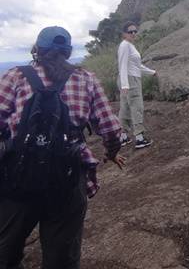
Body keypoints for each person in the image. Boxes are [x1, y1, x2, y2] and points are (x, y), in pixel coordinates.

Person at [0, 26, 125, 268]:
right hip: (66, 179)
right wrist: (112, 153)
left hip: (18, 178)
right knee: (62, 259)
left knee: (5, 252)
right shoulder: (86, 79)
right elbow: (110, 129)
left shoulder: (15, 76)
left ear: (37, 50)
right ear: (68, 52)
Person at [118, 22, 155, 149]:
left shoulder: (129, 46)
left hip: (128, 79)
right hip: (130, 80)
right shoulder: (125, 46)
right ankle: (139, 138)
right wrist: (125, 84)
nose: (133, 33)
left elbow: (137, 66)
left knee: (125, 108)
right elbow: (122, 65)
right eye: (130, 31)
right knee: (136, 107)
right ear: (124, 34)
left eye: (135, 31)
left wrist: (152, 72)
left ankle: (122, 137)